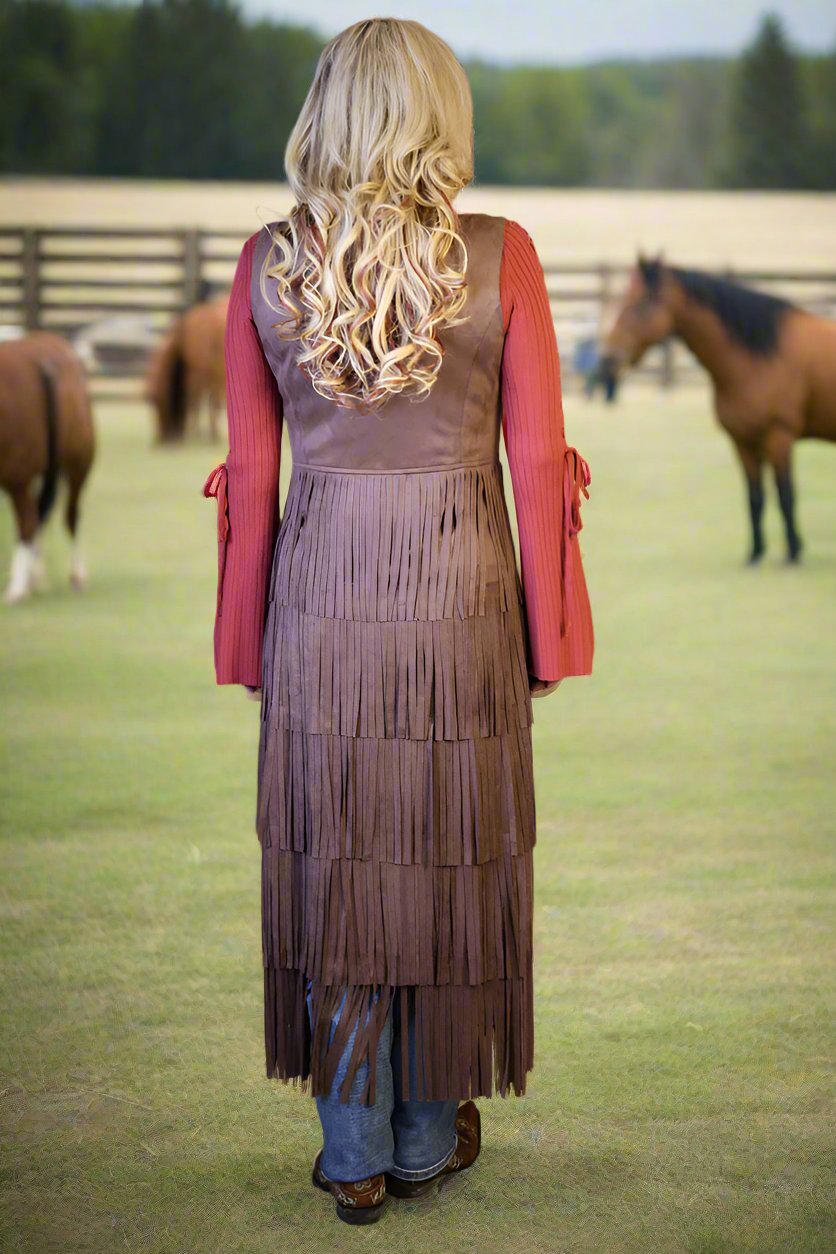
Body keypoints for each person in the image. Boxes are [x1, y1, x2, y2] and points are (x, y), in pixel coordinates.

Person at [203, 17, 593, 1227]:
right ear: (441, 115)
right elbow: (534, 470)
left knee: (339, 869)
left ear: (326, 113)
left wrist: (242, 642)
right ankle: (426, 1137)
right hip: (460, 600)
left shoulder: (268, 263)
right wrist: (549, 637)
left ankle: (354, 1152)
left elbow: (250, 479)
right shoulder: (503, 255)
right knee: (442, 861)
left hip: (318, 607)